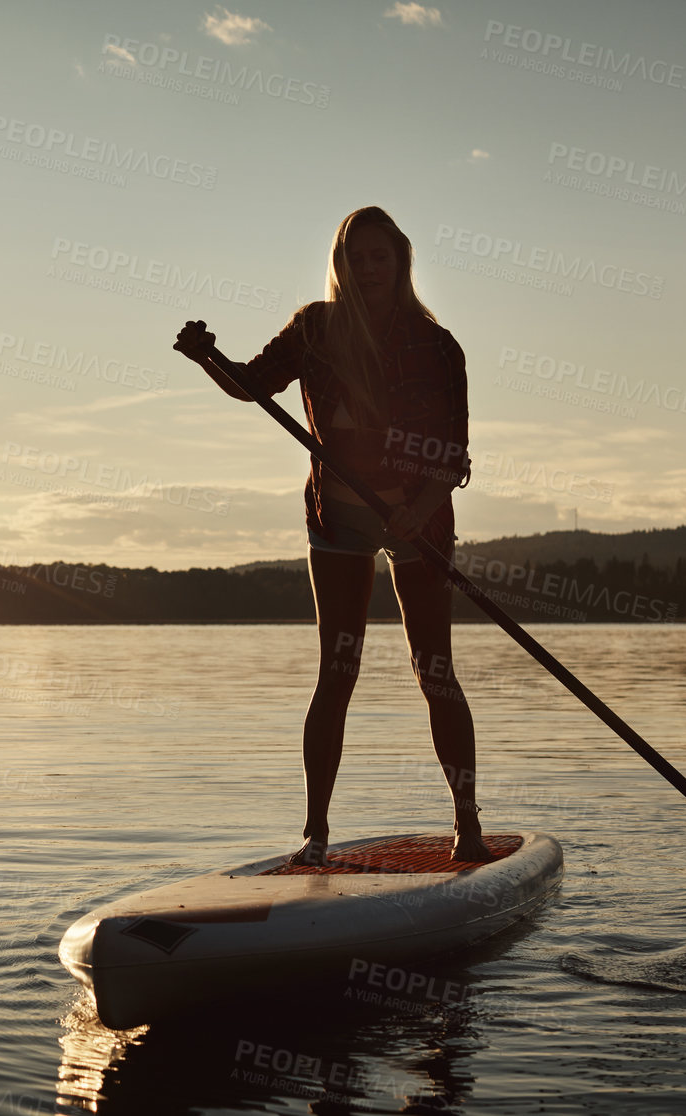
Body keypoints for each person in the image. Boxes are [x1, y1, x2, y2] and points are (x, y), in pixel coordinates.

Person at [173, 206, 487, 863]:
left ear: (400, 263)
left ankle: (466, 825)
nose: (368, 268)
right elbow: (251, 385)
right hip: (336, 517)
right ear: (340, 265)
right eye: (356, 257)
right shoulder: (314, 328)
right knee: (335, 672)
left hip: (418, 516)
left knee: (433, 668)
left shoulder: (436, 345)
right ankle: (314, 835)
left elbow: (452, 451)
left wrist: (420, 505)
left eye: (380, 257)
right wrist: (207, 357)